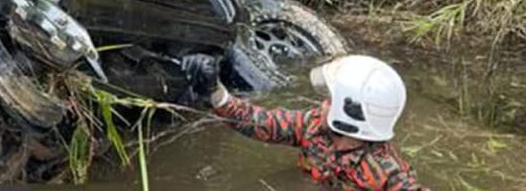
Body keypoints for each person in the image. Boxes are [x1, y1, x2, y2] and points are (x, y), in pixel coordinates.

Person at [183, 53, 428, 190]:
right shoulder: (313, 125)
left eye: (330, 99)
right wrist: (214, 91)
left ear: (349, 114)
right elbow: (259, 122)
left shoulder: (386, 171)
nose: (322, 104)